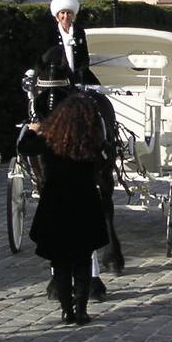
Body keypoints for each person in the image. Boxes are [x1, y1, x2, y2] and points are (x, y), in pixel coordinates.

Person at [27, 93, 110, 325]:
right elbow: (105, 159)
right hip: (84, 204)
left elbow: (24, 146)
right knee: (82, 261)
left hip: (55, 205)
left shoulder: (50, 140)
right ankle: (81, 310)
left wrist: (32, 129)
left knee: (60, 262)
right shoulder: (90, 142)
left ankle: (66, 310)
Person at [49, 0, 98, 86]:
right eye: (62, 13)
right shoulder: (52, 33)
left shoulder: (79, 31)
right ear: (57, 15)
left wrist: (82, 69)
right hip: (59, 77)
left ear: (73, 15)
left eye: (68, 13)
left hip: (80, 76)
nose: (66, 16)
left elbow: (84, 54)